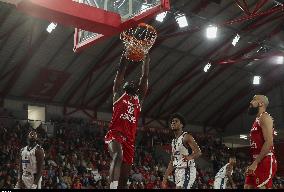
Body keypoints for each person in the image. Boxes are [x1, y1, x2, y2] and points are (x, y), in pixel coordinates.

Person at [105, 52, 150, 189]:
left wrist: (146, 60)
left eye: (133, 82)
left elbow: (144, 77)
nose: (131, 82)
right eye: (127, 82)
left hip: (130, 140)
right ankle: (111, 186)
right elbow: (120, 71)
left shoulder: (138, 100)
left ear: (136, 89)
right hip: (115, 134)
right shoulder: (118, 94)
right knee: (118, 155)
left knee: (124, 178)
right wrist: (125, 56)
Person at [244, 95, 277, 189]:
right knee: (247, 187)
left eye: (254, 99)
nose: (250, 102)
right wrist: (253, 163)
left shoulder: (265, 117)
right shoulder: (257, 119)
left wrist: (255, 163)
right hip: (257, 160)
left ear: (261, 103)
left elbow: (269, 142)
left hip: (265, 160)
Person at [162, 113, 202, 189]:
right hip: (178, 171)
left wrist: (190, 157)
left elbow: (198, 152)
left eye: (176, 121)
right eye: (172, 121)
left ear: (181, 125)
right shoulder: (173, 141)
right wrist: (165, 178)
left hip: (187, 169)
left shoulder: (186, 137)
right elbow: (172, 161)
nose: (173, 122)